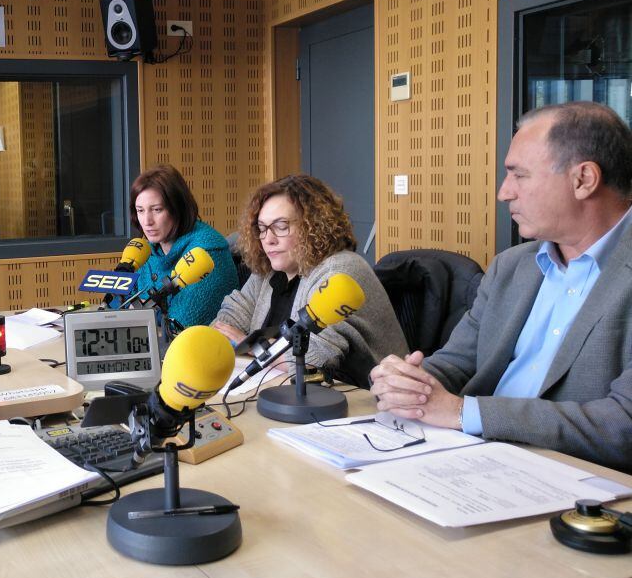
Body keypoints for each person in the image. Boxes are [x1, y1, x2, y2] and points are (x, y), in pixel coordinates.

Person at [370, 101, 632, 470]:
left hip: (577, 481)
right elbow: (457, 362)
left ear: (583, 179)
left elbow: (623, 424)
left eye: (519, 175)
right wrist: (410, 383)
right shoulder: (511, 267)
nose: (504, 192)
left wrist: (464, 413)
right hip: (476, 461)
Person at [213, 174, 406, 386]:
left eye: (281, 226)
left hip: (368, 398)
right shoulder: (269, 269)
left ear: (314, 225)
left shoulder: (340, 271)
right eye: (262, 228)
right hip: (289, 390)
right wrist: (223, 338)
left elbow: (313, 358)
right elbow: (229, 319)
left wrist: (253, 345)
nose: (268, 239)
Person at [127, 165, 237, 329]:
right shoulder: (146, 251)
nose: (147, 221)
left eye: (157, 210)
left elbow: (180, 326)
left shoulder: (207, 253)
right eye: (140, 211)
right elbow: (120, 305)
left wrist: (140, 313)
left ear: (178, 208)